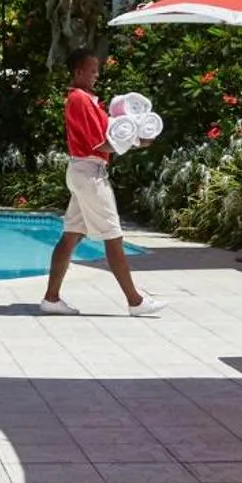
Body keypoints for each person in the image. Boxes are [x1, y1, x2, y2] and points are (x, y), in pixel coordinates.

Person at [40, 47, 163, 317]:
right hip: (90, 173)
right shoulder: (81, 100)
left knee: (72, 234)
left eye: (97, 70)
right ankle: (135, 301)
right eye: (92, 70)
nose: (97, 75)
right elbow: (104, 143)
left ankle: (51, 298)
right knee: (113, 235)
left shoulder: (86, 100)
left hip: (82, 170)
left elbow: (113, 138)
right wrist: (135, 140)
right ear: (78, 71)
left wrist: (139, 140)